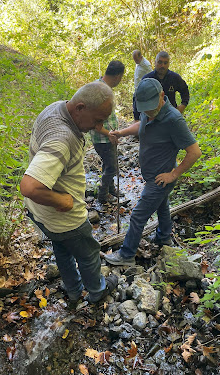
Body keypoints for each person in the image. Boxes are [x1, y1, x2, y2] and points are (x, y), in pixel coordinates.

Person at [20, 82, 118, 306]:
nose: (98, 126)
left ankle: (73, 291)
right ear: (80, 107)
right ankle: (97, 291)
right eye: (97, 120)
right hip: (64, 218)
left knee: (62, 249)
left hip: (40, 213)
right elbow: (29, 186)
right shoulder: (63, 138)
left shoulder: (56, 108)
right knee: (89, 252)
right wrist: (61, 199)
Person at [104, 78, 201, 266]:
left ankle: (126, 254)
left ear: (162, 96)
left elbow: (195, 151)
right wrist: (122, 133)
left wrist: (173, 174)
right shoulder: (148, 112)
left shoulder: (174, 120)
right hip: (151, 176)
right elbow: (142, 126)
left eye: (150, 107)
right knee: (162, 206)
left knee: (138, 215)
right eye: (144, 108)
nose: (147, 112)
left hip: (161, 179)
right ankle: (164, 237)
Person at [89, 60, 125, 204]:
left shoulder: (102, 86)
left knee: (108, 164)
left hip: (106, 137)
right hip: (103, 138)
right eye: (121, 77)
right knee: (111, 167)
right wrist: (108, 134)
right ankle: (103, 196)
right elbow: (95, 121)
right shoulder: (101, 91)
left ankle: (110, 189)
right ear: (117, 76)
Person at [132, 50, 152, 121]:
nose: (135, 61)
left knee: (140, 111)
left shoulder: (146, 65)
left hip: (143, 91)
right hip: (136, 90)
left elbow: (151, 77)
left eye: (136, 59)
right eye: (134, 60)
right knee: (135, 110)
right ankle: (136, 127)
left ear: (141, 57)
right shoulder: (138, 63)